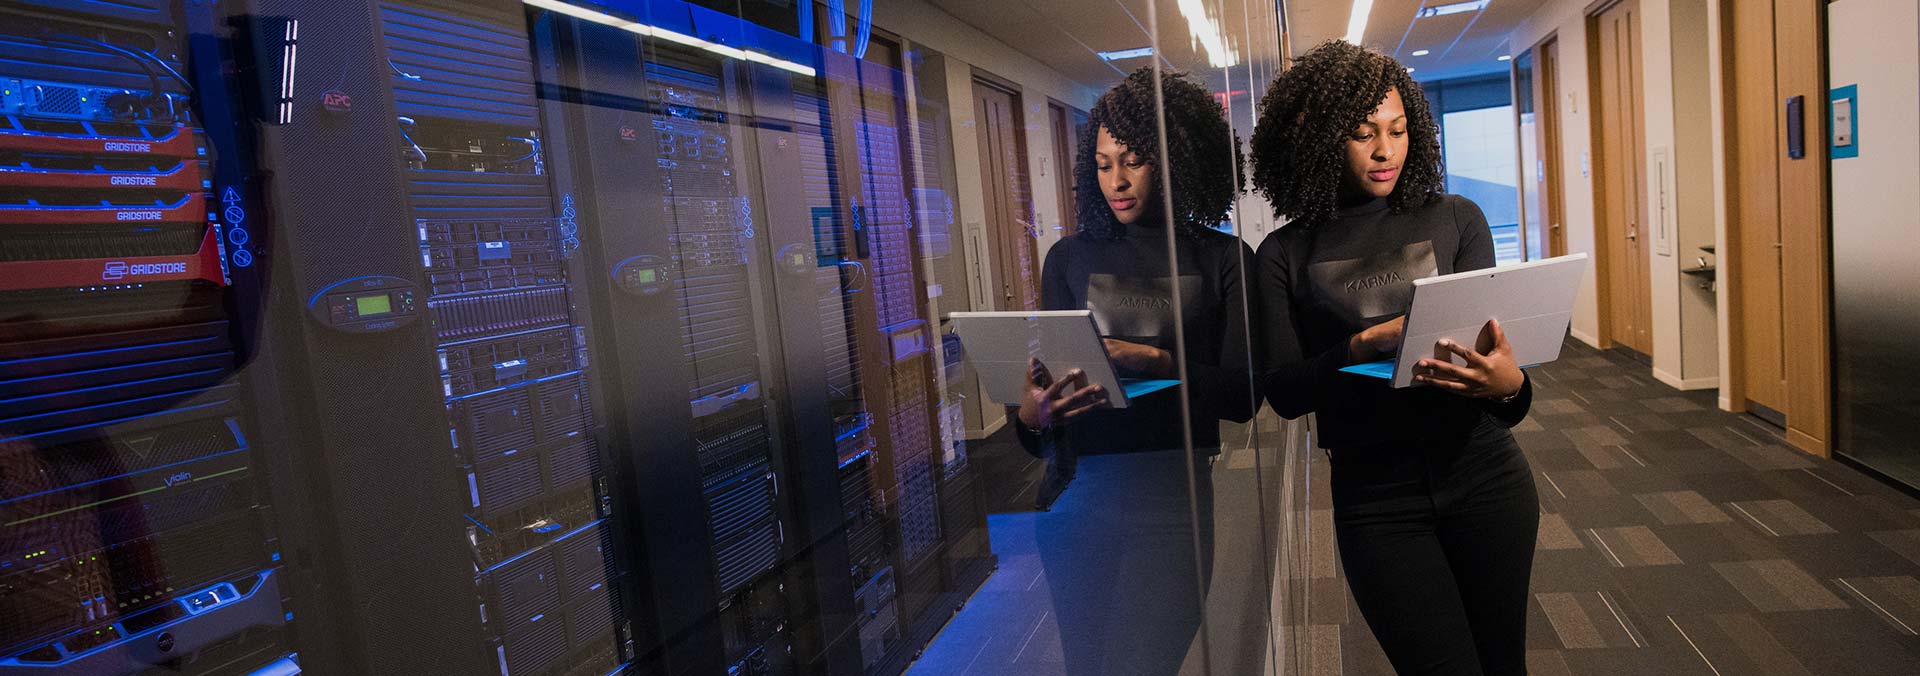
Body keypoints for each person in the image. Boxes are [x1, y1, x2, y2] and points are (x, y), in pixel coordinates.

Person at [1248, 41, 1539, 676]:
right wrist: (1360, 345)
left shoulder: (1458, 219)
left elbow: (1501, 389)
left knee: (1503, 666)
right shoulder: (1282, 253)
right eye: (1363, 134)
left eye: (1399, 129)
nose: (1386, 151)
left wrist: (1510, 384)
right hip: (1376, 499)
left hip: (1486, 476)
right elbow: (1285, 391)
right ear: (1323, 139)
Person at [1009, 67, 1258, 675]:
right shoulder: (1068, 259)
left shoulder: (1223, 258)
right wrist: (1031, 416)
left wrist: (1163, 364)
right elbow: (1042, 417)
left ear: (1176, 162)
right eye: (1102, 163)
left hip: (1171, 502)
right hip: (1075, 496)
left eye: (1134, 161)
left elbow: (1244, 396)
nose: (1116, 181)